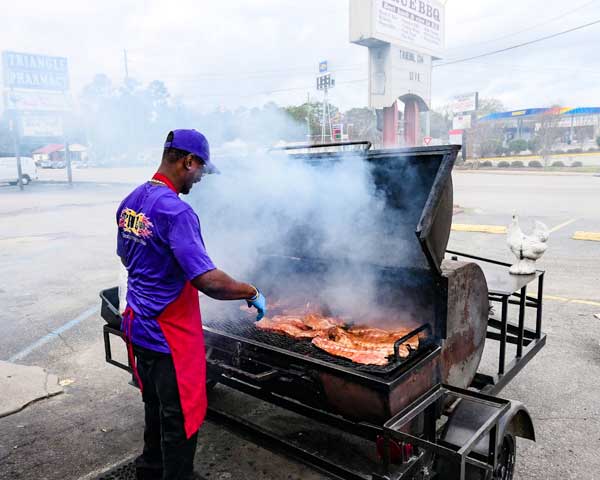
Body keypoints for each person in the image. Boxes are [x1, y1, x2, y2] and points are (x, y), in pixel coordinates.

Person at [116, 129, 266, 480]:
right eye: (200, 170)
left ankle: (149, 472)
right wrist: (250, 290)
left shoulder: (131, 200)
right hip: (169, 337)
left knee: (154, 410)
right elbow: (208, 281)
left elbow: (126, 257)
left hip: (137, 327)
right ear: (188, 161)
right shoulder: (176, 212)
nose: (200, 178)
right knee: (180, 423)